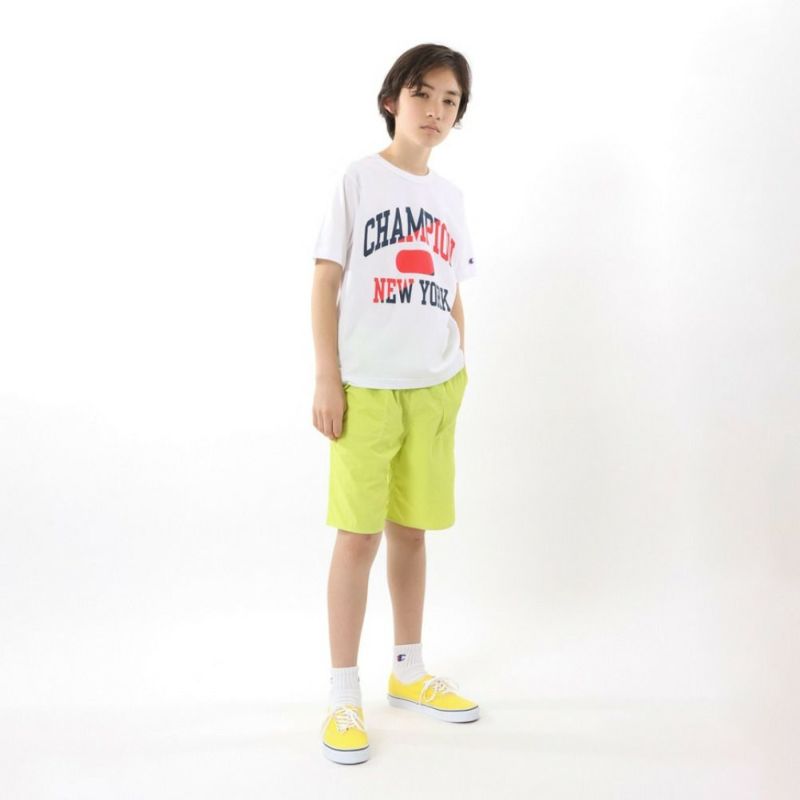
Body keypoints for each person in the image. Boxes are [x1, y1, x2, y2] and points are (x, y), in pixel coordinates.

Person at [311, 43, 480, 765]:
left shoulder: (450, 198)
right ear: (392, 100)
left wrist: (458, 368)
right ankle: (342, 691)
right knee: (358, 537)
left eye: (450, 100)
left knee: (412, 532)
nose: (436, 110)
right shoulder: (359, 180)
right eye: (423, 94)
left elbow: (452, 288)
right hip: (368, 388)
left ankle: (408, 671)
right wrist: (327, 377)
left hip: (433, 390)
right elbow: (326, 281)